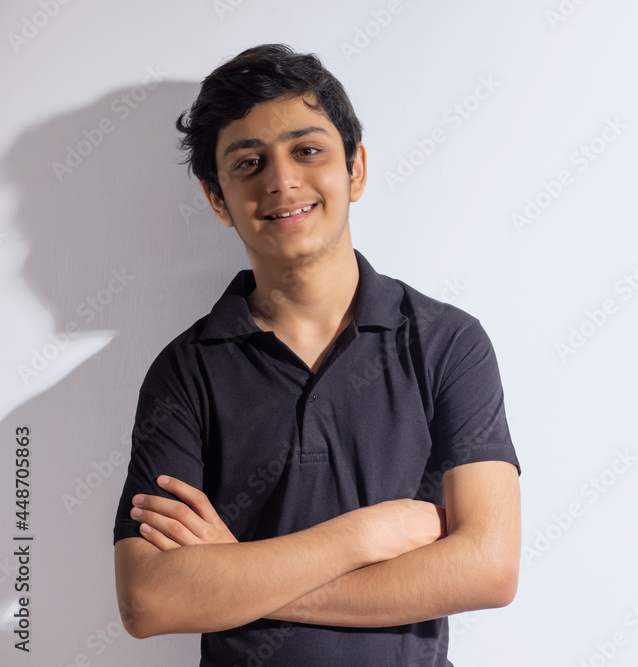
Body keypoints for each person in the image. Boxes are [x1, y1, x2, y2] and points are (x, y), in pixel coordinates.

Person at [112, 43, 521, 666]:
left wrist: (231, 574)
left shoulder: (447, 343)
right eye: (249, 162)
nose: (281, 180)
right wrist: (368, 535)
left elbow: (489, 568)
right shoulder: (186, 370)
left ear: (355, 168)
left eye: (307, 150)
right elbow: (148, 601)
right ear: (217, 198)